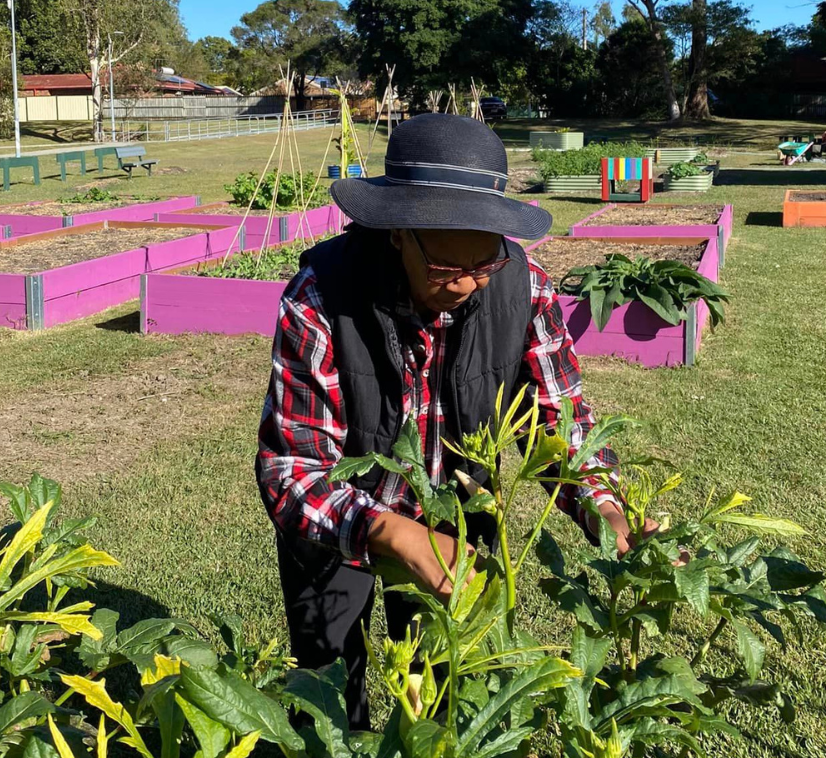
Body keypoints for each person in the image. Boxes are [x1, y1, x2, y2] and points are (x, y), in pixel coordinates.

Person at [256, 113, 636, 729]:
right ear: (397, 231)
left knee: (443, 698)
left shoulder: (524, 288)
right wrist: (393, 531)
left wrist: (607, 508)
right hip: (338, 526)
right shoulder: (320, 295)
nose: (464, 284)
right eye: (443, 268)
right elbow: (291, 471)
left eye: (483, 264)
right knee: (327, 697)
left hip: (459, 518)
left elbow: (563, 424)